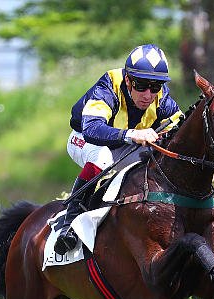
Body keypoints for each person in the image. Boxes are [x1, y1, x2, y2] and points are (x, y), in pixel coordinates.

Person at [54, 43, 183, 255]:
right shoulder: (108, 86)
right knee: (103, 157)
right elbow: (92, 129)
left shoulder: (162, 98)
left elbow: (181, 127)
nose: (148, 94)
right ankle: (69, 222)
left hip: (124, 144)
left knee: (154, 160)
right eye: (141, 85)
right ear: (128, 80)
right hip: (85, 139)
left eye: (155, 86)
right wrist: (132, 134)